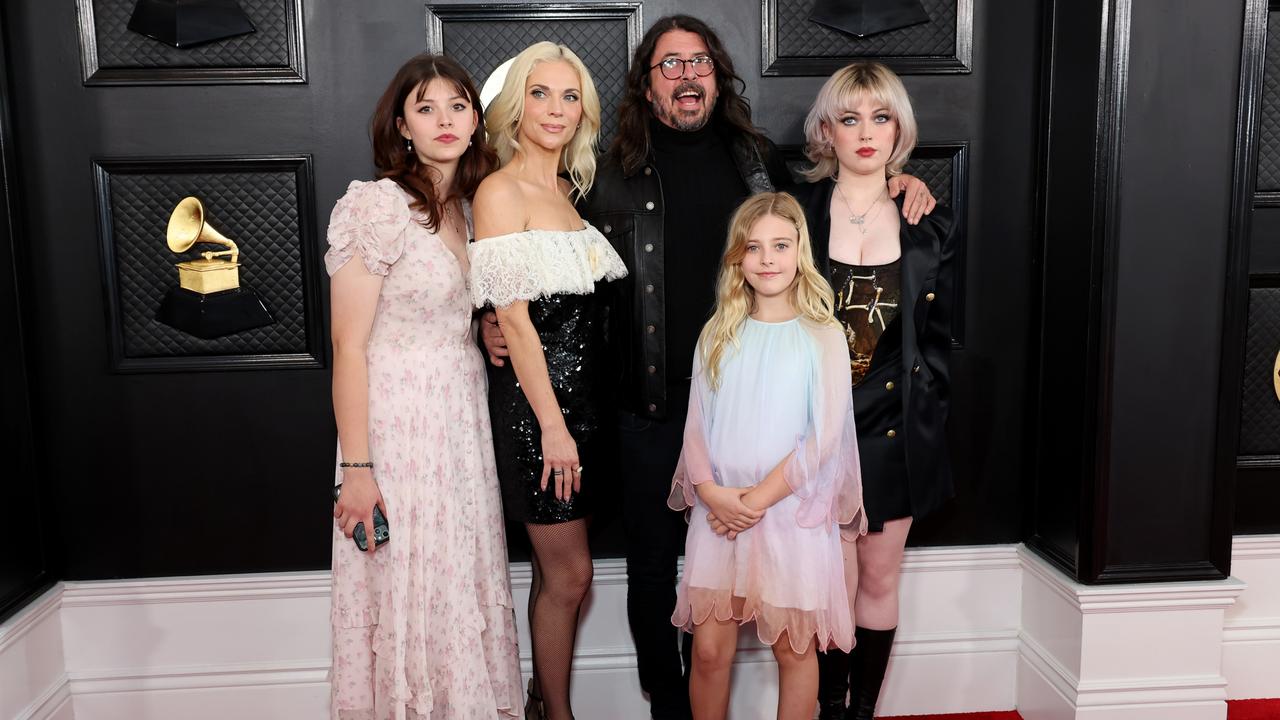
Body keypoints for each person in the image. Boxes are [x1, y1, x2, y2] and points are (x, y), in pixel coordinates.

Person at [482, 16, 936, 720]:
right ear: (647, 84)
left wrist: (897, 181)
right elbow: (541, 257)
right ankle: (671, 704)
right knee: (656, 569)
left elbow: (822, 209)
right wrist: (491, 316)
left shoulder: (756, 159)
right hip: (650, 405)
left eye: (699, 62)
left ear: (717, 77)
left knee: (760, 588)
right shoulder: (604, 172)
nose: (687, 74)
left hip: (755, 412)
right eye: (670, 64)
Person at [326, 54, 521, 719]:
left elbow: (445, 314)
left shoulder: (472, 205)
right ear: (402, 126)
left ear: (476, 119)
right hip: (397, 430)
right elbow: (349, 346)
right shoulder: (376, 205)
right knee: (409, 587)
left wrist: (483, 334)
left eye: (458, 106)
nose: (445, 120)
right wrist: (357, 470)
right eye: (427, 108)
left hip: (462, 428)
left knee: (457, 585)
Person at [792, 62, 960, 720]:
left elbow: (942, 334)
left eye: (881, 117)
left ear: (899, 130)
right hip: (817, 429)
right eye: (850, 118)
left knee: (880, 578)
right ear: (825, 131)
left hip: (897, 427)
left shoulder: (930, 222)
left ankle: (863, 713)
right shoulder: (795, 214)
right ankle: (831, 707)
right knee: (830, 583)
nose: (866, 132)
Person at [468, 41, 628, 720]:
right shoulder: (499, 190)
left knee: (554, 575)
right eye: (541, 93)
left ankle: (543, 701)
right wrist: (555, 429)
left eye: (570, 96)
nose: (556, 109)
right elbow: (516, 320)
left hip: (587, 408)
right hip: (541, 417)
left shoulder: (568, 189)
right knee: (572, 574)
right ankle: (557, 715)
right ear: (515, 106)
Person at [669, 191, 865, 720]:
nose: (768, 259)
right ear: (739, 258)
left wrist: (753, 501)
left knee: (792, 649)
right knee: (708, 652)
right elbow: (696, 424)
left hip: (787, 514)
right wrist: (710, 492)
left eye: (780, 245)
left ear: (800, 249)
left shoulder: (822, 335)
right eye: (754, 248)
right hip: (720, 515)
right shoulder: (718, 331)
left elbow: (822, 439)